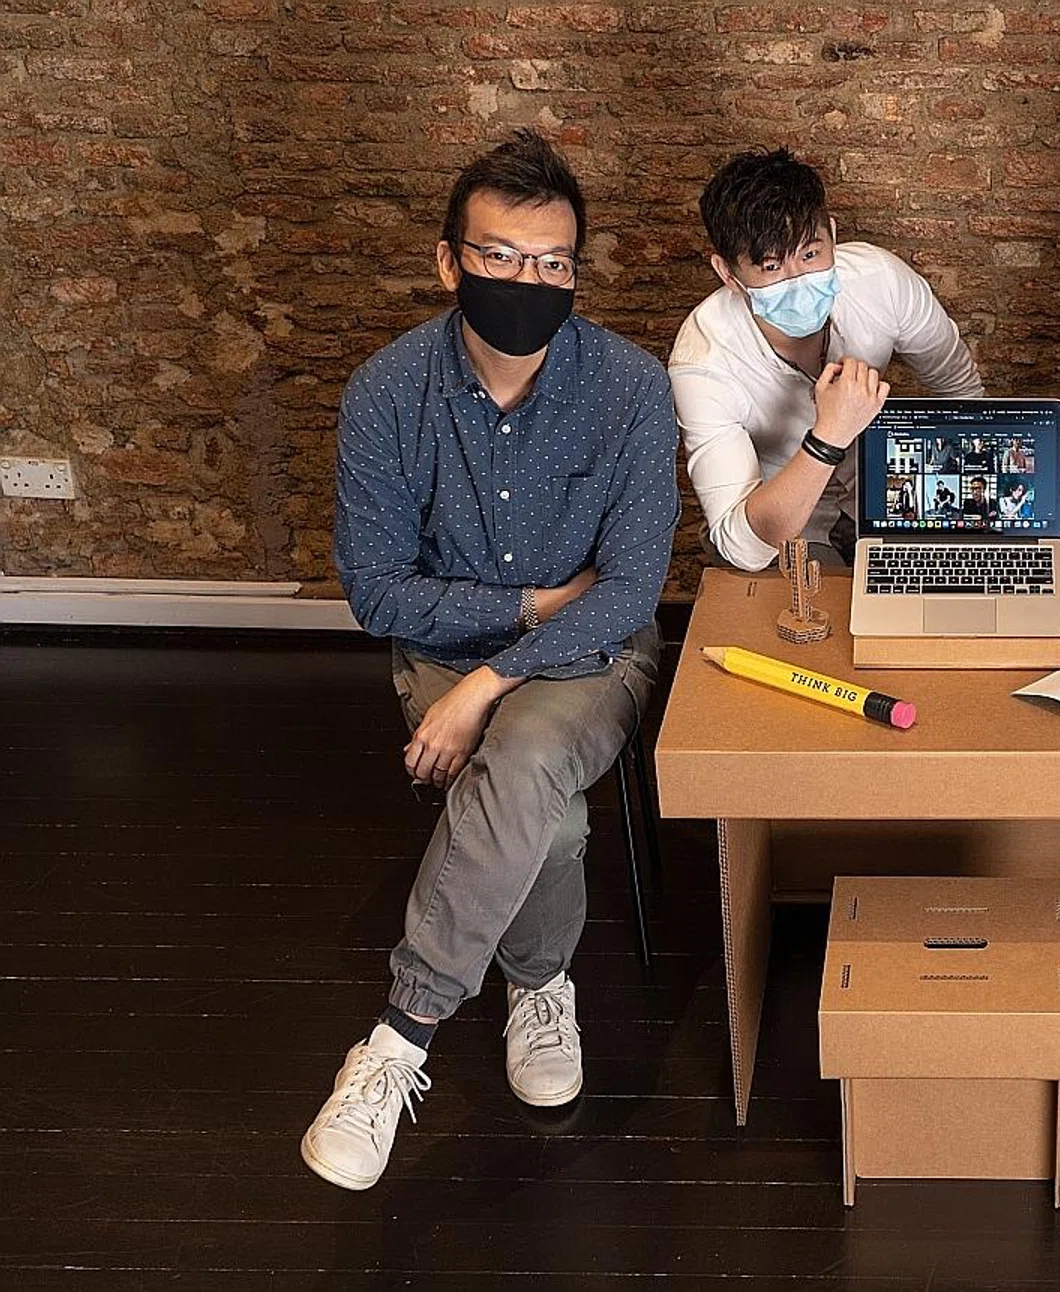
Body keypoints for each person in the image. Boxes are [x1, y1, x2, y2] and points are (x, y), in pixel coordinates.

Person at [307, 129, 679, 1191]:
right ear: (449, 262)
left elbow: (626, 588)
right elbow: (376, 590)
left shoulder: (630, 388)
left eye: (553, 263)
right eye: (503, 256)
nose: (530, 281)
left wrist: (488, 680)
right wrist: (513, 609)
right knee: (550, 811)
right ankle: (539, 977)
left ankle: (396, 1038)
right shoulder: (387, 393)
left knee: (520, 758)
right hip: (445, 646)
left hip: (592, 655)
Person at [670, 147, 985, 569]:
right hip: (785, 525)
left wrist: (964, 508)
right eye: (770, 266)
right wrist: (829, 436)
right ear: (728, 274)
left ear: (833, 236)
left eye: (810, 254)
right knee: (815, 620)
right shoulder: (702, 361)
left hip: (894, 496)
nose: (798, 278)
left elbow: (962, 393)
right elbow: (740, 545)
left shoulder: (882, 282)